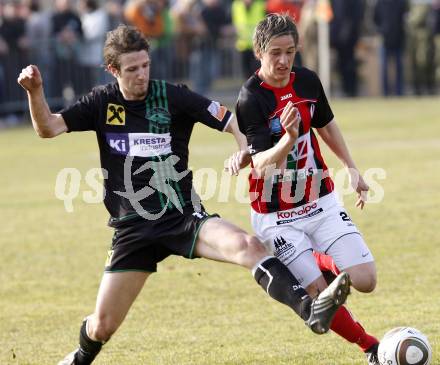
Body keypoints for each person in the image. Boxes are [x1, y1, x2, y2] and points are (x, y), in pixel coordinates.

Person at [17, 25, 350, 365]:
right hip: (134, 229)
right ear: (113, 70)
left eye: (145, 65)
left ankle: (311, 311)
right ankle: (79, 359)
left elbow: (229, 119)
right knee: (102, 327)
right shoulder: (101, 103)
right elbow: (48, 127)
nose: (141, 75)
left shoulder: (172, 96)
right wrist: (36, 92)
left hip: (182, 217)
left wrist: (244, 151)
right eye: (132, 69)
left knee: (248, 245)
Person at [231, 14, 380, 364]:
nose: (283, 61)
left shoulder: (308, 82)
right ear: (258, 53)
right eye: (275, 53)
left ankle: (318, 256)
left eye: (290, 52)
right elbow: (260, 162)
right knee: (319, 296)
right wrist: (288, 140)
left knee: (365, 279)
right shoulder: (251, 98)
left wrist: (352, 168)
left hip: (319, 199)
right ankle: (370, 346)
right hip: (276, 216)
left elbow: (327, 125)